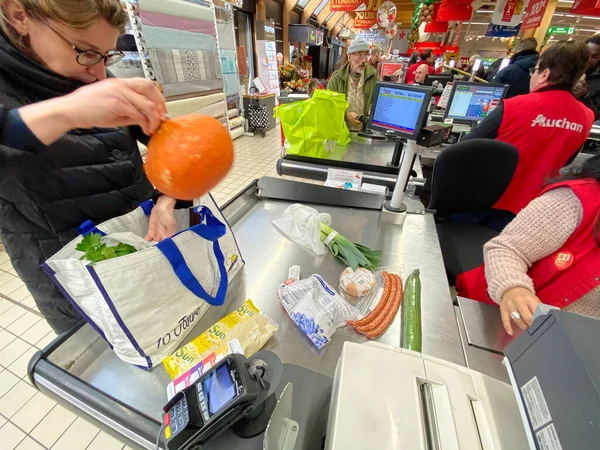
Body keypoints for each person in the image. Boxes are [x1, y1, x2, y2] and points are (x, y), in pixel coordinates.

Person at [0, 0, 178, 333]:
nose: (98, 72)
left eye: (107, 55)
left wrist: (167, 200)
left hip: (145, 247)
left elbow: (170, 147)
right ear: (19, 15)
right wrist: (68, 112)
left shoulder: (93, 72)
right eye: (85, 51)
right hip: (76, 284)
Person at [456, 156, 600, 335]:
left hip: (567, 343)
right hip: (498, 321)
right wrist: (513, 288)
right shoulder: (576, 201)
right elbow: (507, 249)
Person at [463, 41, 595, 216]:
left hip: (485, 200)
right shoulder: (586, 116)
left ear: (544, 74)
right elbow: (567, 160)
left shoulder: (514, 106)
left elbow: (465, 148)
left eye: (535, 70)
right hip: (534, 209)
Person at [328, 38, 377, 132]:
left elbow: (377, 99)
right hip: (341, 132)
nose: (364, 60)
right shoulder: (336, 78)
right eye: (359, 55)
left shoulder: (373, 76)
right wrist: (346, 114)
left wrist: (372, 109)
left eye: (366, 55)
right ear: (349, 57)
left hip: (365, 132)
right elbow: (329, 106)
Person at [573, 35, 600, 118]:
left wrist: (584, 96)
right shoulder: (566, 71)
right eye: (587, 54)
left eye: (594, 56)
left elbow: (596, 115)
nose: (588, 59)